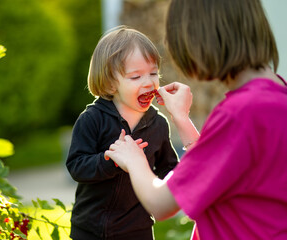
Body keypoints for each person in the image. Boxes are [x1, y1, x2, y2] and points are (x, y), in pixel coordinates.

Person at [105, 0, 287, 239]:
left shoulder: (239, 113)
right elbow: (218, 167)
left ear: (200, 41)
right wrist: (181, 118)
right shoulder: (276, 97)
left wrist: (134, 159)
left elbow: (161, 203)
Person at [65, 25, 178, 240]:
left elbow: (169, 168)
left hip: (138, 229)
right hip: (90, 229)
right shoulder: (92, 119)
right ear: (109, 84)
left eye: (153, 73)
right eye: (136, 77)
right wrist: (111, 160)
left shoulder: (158, 124)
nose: (148, 82)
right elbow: (76, 166)